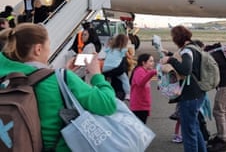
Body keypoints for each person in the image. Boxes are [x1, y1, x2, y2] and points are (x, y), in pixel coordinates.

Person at [0, 23, 117, 151]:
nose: (49, 50)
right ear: (38, 49)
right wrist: (96, 75)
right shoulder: (58, 78)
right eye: (48, 45)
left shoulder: (5, 76)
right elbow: (108, 104)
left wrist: (64, 76)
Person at [160, 25, 207, 152]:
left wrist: (170, 59)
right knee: (194, 128)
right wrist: (170, 54)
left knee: (188, 133)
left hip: (190, 95)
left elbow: (186, 70)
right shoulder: (194, 47)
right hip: (198, 93)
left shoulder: (187, 51)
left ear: (178, 37)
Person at [204, 43, 226, 152]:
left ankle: (222, 141)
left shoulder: (212, 56)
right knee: (223, 110)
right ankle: (221, 136)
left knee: (218, 111)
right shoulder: (219, 52)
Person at [101, 34, 131, 100]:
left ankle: (106, 91)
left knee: (107, 79)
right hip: (115, 67)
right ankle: (128, 94)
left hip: (105, 68)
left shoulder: (111, 48)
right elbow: (129, 57)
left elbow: (104, 51)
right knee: (125, 80)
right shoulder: (123, 49)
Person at [129, 53, 157, 123]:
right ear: (143, 62)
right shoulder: (139, 71)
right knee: (139, 128)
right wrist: (152, 72)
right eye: (150, 61)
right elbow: (141, 83)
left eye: (153, 61)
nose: (153, 63)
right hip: (138, 106)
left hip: (143, 106)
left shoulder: (145, 71)